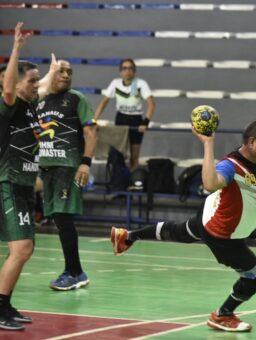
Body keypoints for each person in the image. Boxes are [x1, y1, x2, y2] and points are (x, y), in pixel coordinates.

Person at [111, 120, 256, 332]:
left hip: (210, 215)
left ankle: (127, 236)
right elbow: (210, 184)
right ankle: (222, 315)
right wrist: (207, 143)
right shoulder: (231, 165)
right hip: (223, 234)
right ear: (252, 142)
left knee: (179, 231)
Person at [36, 59, 97, 291]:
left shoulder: (76, 99)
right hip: (47, 168)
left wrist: (85, 163)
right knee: (58, 220)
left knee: (63, 218)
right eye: (61, 71)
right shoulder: (40, 101)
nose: (66, 75)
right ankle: (75, 271)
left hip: (69, 166)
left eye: (69, 72)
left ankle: (74, 271)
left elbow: (91, 133)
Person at [0, 22, 40, 331]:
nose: (37, 85)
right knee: (21, 249)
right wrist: (15, 48)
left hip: (26, 185)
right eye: (33, 81)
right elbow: (11, 88)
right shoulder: (10, 107)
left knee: (26, 250)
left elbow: (38, 84)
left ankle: (5, 303)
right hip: (8, 183)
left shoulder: (31, 107)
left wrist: (55, 70)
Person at [94, 59, 155, 170]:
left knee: (134, 156)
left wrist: (145, 122)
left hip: (136, 120)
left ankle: (134, 183)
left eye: (130, 68)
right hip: (121, 119)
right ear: (120, 71)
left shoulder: (141, 84)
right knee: (118, 155)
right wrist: (94, 120)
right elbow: (104, 102)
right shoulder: (115, 83)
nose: (127, 71)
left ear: (134, 71)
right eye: (125, 68)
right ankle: (119, 181)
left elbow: (151, 103)